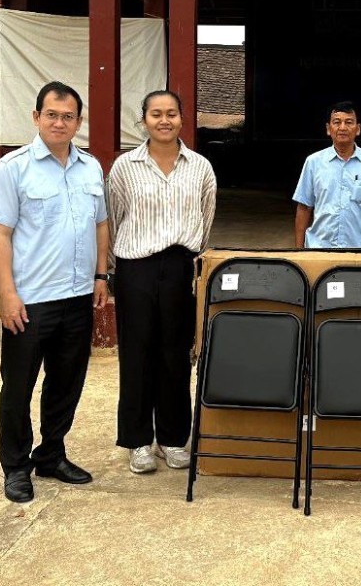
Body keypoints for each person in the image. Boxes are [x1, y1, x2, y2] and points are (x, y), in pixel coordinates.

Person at [0, 81, 110, 503]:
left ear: (79, 122)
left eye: (68, 116)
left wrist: (101, 275)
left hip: (77, 295)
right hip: (30, 299)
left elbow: (100, 224)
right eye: (51, 115)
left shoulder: (90, 168)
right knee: (18, 387)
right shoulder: (12, 168)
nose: (59, 122)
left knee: (66, 382)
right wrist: (7, 294)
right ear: (36, 117)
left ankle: (52, 454)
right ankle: (16, 466)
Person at [107, 90, 216, 474]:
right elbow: (113, 217)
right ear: (144, 120)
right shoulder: (125, 167)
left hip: (181, 268)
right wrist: (113, 269)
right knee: (136, 354)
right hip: (135, 267)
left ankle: (172, 438)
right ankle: (137, 440)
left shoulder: (200, 167)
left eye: (171, 113)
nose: (164, 120)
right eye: (156, 114)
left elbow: (206, 218)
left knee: (175, 355)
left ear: (182, 119)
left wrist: (193, 262)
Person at [293, 101, 361, 248]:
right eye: (337, 122)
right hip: (319, 248)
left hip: (359, 250)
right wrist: (298, 251)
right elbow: (304, 207)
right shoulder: (313, 162)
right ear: (328, 129)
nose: (342, 128)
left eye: (349, 122)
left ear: (358, 129)